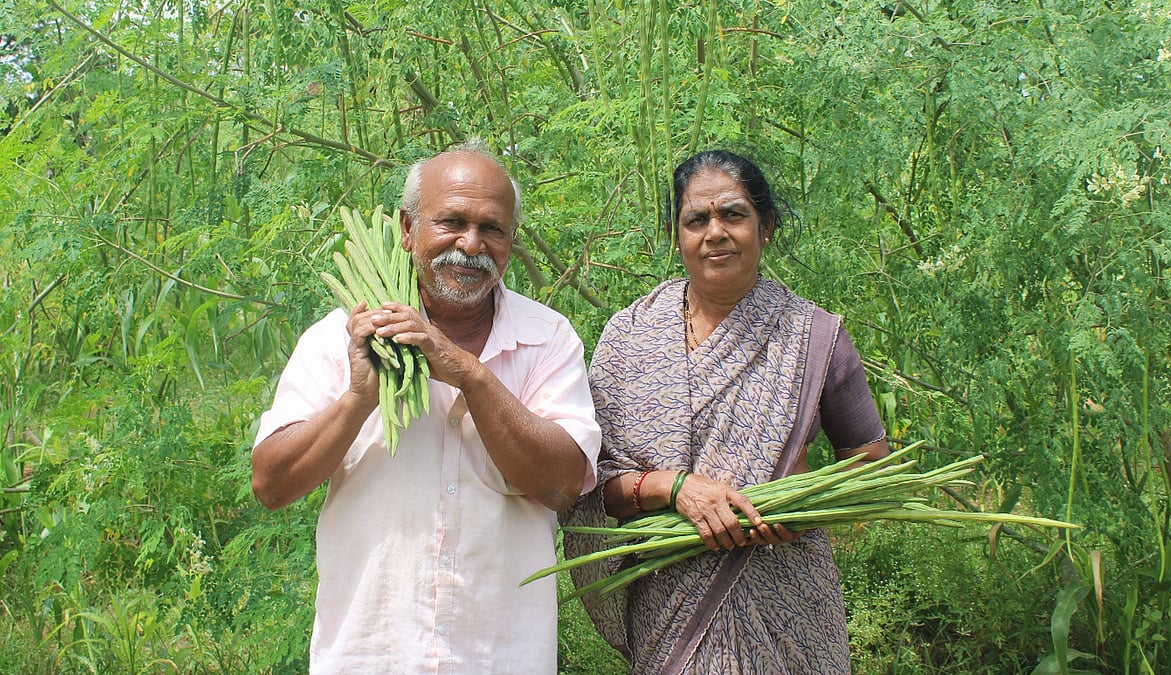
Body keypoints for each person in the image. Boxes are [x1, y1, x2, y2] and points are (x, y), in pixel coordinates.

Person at [251, 140, 602, 673]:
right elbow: (272, 486)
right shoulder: (338, 337)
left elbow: (561, 485)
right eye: (451, 222)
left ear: (511, 240)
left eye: (492, 228)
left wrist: (466, 373)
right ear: (407, 229)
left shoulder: (548, 340)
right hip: (371, 655)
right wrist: (358, 399)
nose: (470, 243)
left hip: (502, 658)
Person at [563, 150, 890, 674]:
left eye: (733, 215)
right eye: (697, 219)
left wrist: (806, 505)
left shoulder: (813, 336)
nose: (714, 231)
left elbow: (872, 462)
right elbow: (589, 487)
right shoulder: (628, 338)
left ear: (767, 227)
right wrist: (670, 488)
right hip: (669, 606)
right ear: (677, 236)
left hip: (787, 604)